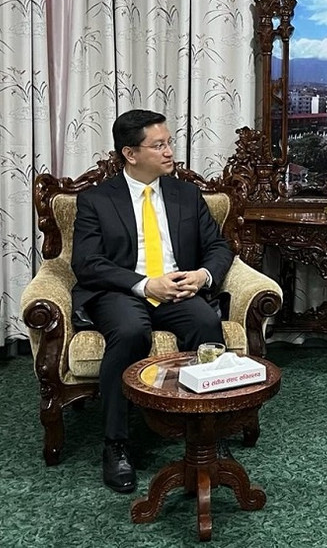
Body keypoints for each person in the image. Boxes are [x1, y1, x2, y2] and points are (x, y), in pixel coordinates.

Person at [71, 109, 233, 493]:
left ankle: (208, 430)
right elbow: (87, 263)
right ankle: (116, 443)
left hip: (177, 288)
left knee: (206, 325)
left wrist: (202, 276)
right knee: (129, 332)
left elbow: (218, 246)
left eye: (169, 142)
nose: (169, 151)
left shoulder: (185, 194)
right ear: (130, 153)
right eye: (158, 145)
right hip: (121, 290)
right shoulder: (96, 200)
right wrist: (144, 285)